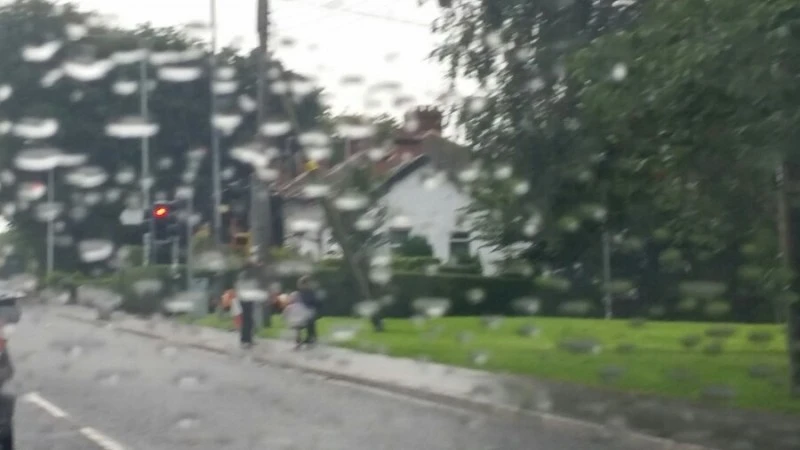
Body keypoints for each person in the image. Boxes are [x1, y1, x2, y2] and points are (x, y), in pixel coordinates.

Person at [296, 276, 320, 345]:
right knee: (301, 324)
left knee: (310, 323)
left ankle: (311, 337)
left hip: (310, 309)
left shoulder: (310, 292)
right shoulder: (301, 292)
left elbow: (313, 300)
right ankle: (303, 337)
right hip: (303, 310)